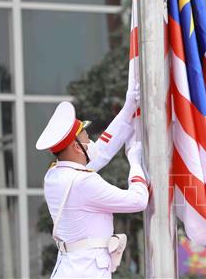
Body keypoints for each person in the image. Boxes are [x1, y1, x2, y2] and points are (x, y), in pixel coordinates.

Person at [35, 87, 148, 278]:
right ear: (75, 147)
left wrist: (128, 108)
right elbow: (138, 200)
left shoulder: (54, 175)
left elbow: (102, 151)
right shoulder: (83, 182)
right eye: (86, 137)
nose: (90, 140)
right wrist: (135, 164)